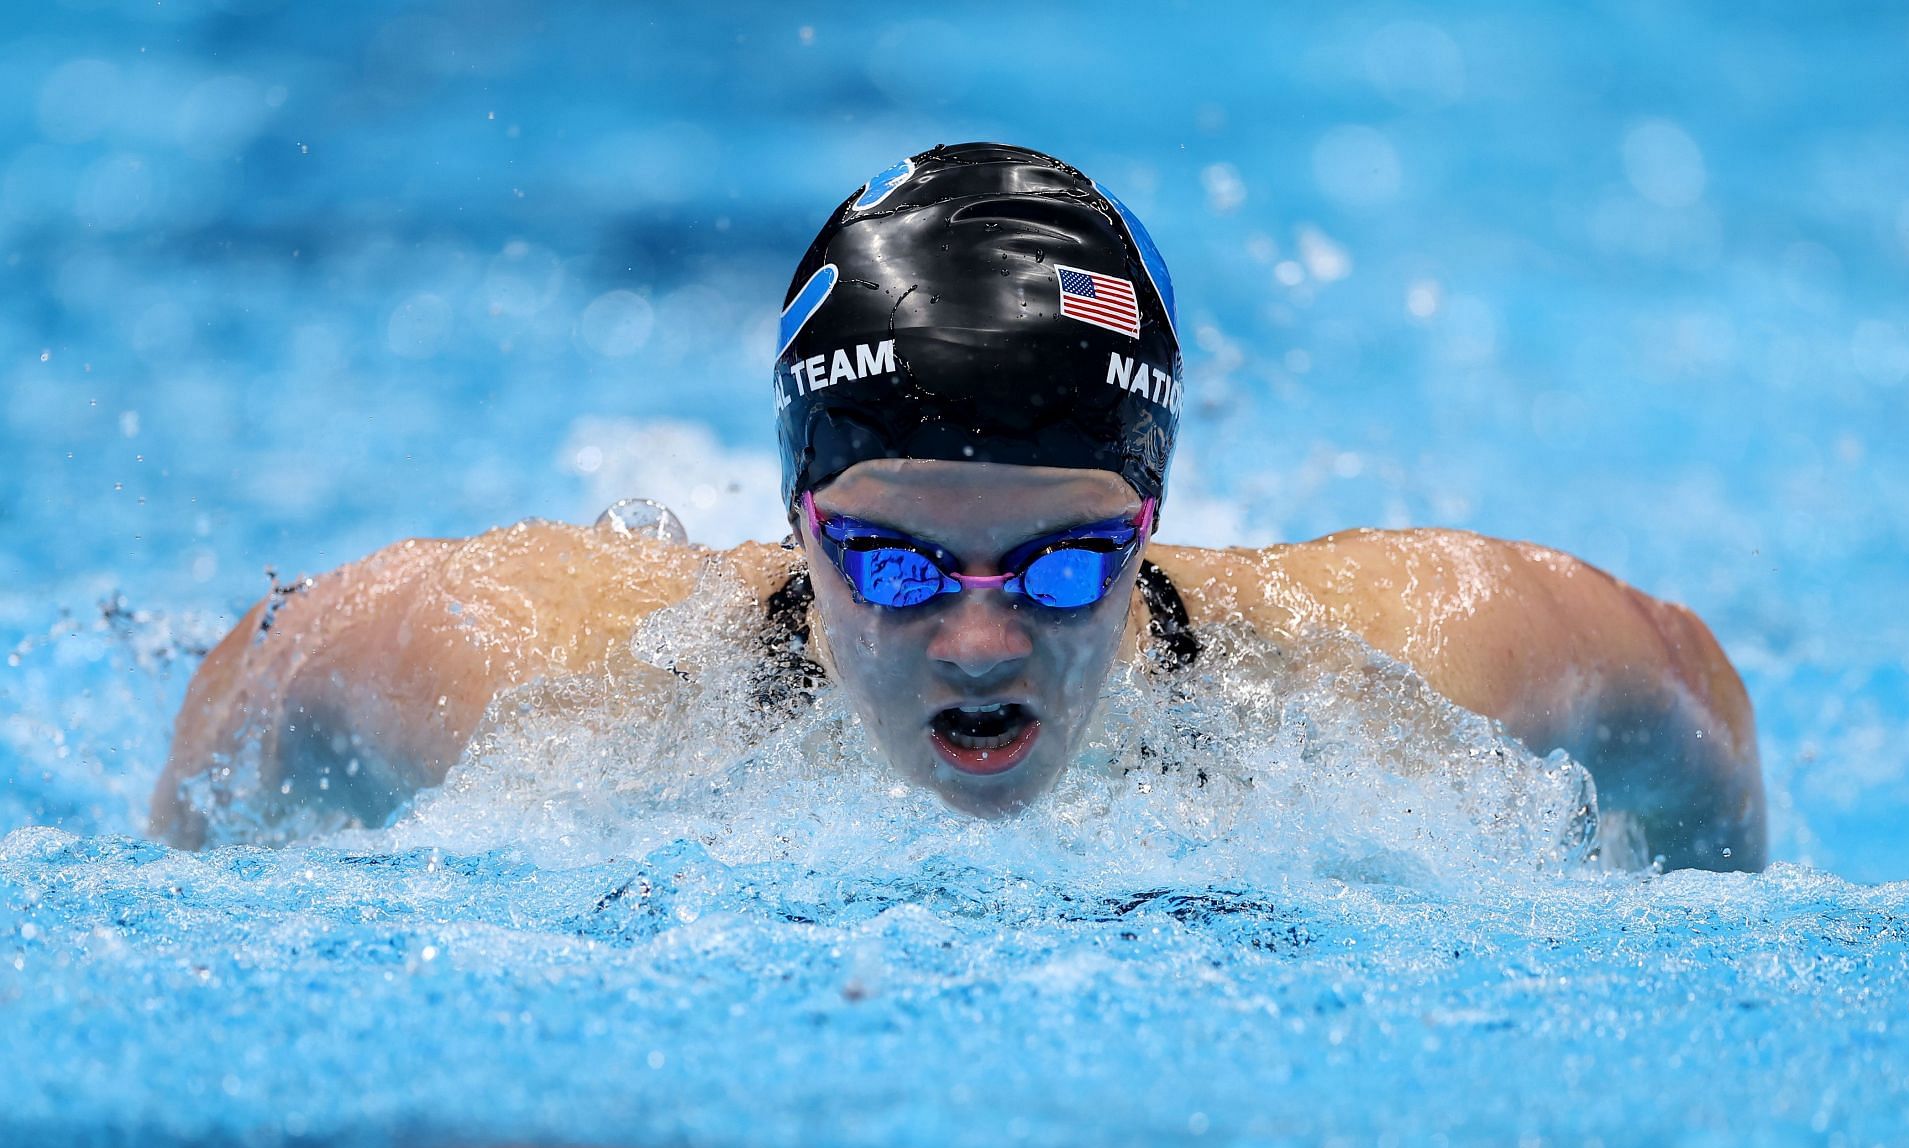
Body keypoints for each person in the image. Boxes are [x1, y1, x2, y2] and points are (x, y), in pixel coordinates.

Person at [150, 143, 1766, 870]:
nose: (978, 636)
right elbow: (271, 675)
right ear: (797, 523)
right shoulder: (550, 681)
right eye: (892, 560)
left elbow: (1681, 688)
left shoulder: (1401, 670)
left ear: (1149, 529)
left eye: (1063, 564)